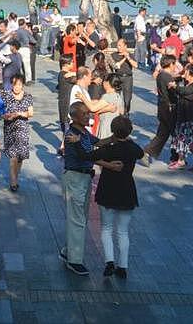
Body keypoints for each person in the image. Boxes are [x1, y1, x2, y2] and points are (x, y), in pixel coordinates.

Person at [72, 116, 143, 279]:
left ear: (112, 130)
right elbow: (140, 153)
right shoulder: (133, 149)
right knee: (123, 231)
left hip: (108, 189)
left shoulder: (109, 150)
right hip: (127, 190)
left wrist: (77, 142)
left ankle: (109, 261)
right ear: (130, 131)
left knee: (106, 228)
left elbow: (86, 155)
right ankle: (123, 266)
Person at [59, 102, 122, 276]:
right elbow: (87, 155)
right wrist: (109, 165)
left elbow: (99, 142)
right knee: (78, 218)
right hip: (75, 178)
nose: (89, 116)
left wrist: (115, 138)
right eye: (85, 114)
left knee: (80, 217)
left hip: (84, 178)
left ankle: (68, 251)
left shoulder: (84, 133)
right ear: (76, 117)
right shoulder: (72, 135)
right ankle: (75, 260)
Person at [141, 56, 180, 167]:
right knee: (174, 133)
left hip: (163, 106)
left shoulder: (161, 75)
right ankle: (176, 157)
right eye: (174, 64)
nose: (175, 67)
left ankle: (148, 152)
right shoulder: (167, 77)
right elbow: (173, 92)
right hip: (169, 108)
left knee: (163, 133)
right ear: (170, 64)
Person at [0, 75, 34, 191]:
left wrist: (19, 114)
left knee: (21, 156)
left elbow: (30, 113)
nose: (17, 87)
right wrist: (6, 116)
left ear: (22, 85)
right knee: (13, 156)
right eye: (14, 84)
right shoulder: (5, 95)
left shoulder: (28, 96)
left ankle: (15, 174)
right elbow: (0, 112)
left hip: (22, 128)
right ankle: (13, 181)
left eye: (19, 84)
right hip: (10, 128)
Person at [169, 64, 193, 170]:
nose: (185, 73)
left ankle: (181, 161)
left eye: (187, 72)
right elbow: (187, 94)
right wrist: (189, 96)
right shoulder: (189, 84)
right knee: (191, 141)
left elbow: (183, 92)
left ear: (192, 75)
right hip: (186, 116)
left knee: (182, 138)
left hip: (189, 117)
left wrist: (175, 87)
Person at [111, 38, 138, 116]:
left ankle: (126, 113)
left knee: (127, 99)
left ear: (125, 46)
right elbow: (116, 66)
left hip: (127, 78)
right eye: (117, 45)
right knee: (116, 97)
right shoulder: (114, 55)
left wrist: (128, 57)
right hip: (117, 77)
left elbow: (135, 65)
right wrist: (124, 58)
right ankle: (117, 114)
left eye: (120, 45)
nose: (118, 47)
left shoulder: (130, 54)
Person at [57, 55, 77, 156]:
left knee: (66, 125)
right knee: (67, 125)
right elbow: (80, 77)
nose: (73, 64)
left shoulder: (62, 74)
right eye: (72, 62)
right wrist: (75, 72)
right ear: (66, 64)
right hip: (66, 104)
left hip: (63, 103)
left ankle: (62, 146)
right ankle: (64, 147)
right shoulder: (65, 75)